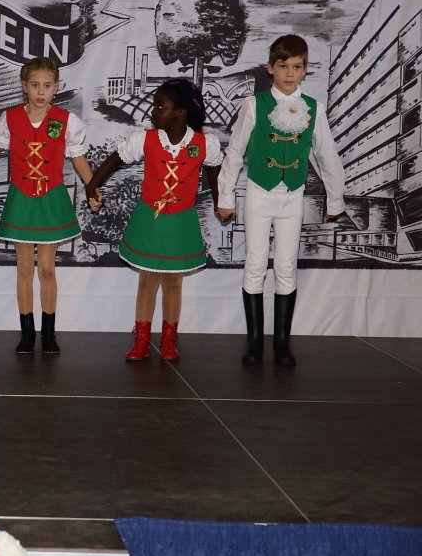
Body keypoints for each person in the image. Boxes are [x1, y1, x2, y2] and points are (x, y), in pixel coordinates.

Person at [216, 34, 345, 367]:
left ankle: (282, 344)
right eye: (284, 66)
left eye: (297, 67)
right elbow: (235, 152)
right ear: (270, 68)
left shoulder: (313, 109)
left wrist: (335, 199)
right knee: (255, 264)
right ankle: (255, 343)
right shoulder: (254, 105)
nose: (290, 73)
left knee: (287, 266)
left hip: (293, 197)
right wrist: (226, 195)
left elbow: (326, 156)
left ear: (305, 70)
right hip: (259, 194)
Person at [0, 57, 94, 354]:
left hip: (51, 198)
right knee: (24, 269)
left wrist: (92, 187)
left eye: (47, 86)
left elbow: (78, 158)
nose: (40, 91)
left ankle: (48, 333)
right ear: (24, 86)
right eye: (35, 85)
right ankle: (26, 333)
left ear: (56, 87)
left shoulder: (66, 121)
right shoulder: (10, 118)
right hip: (21, 198)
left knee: (46, 269)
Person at [85, 78, 222, 361]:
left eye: (160, 106)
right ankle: (142, 340)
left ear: (180, 113)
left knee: (173, 282)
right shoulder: (145, 140)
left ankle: (169, 340)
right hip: (150, 217)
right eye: (154, 105)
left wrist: (222, 200)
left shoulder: (202, 144)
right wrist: (92, 185)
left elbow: (214, 169)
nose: (153, 111)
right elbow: (117, 158)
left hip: (181, 221)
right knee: (147, 279)